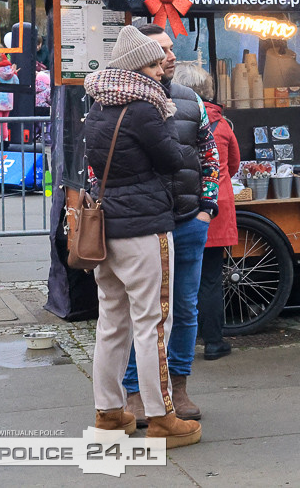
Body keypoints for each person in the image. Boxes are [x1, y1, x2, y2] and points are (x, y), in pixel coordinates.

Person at [83, 25, 200, 446]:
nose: (160, 70)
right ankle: (161, 415)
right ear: (136, 67)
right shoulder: (145, 107)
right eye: (153, 63)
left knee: (111, 321)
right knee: (153, 322)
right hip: (145, 226)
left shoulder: (98, 104)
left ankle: (109, 411)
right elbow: (170, 159)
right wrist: (181, 142)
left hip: (107, 224)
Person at [123, 24, 220, 428]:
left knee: (184, 306)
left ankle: (178, 386)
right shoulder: (121, 100)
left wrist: (205, 209)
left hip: (187, 221)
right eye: (161, 49)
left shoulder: (190, 100)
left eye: (171, 47)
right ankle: (135, 392)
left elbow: (211, 156)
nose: (170, 55)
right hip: (144, 224)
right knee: (141, 311)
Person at [173, 63, 238, 362]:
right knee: (211, 278)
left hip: (183, 207)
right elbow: (234, 164)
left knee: (178, 278)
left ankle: (179, 337)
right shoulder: (222, 125)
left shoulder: (172, 119)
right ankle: (214, 341)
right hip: (215, 209)